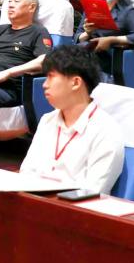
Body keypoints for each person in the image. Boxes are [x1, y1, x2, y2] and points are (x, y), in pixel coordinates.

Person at [19, 46, 125, 194]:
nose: (44, 84)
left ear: (75, 82)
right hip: (34, 199)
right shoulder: (47, 120)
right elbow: (27, 171)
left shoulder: (106, 131)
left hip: (74, 206)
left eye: (51, 76)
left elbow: (93, 190)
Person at [0, 0, 52, 163]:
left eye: (17, 1)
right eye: (9, 1)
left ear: (31, 7)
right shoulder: (0, 30)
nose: (10, 5)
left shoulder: (38, 32)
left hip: (8, 87)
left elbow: (44, 61)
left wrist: (7, 73)